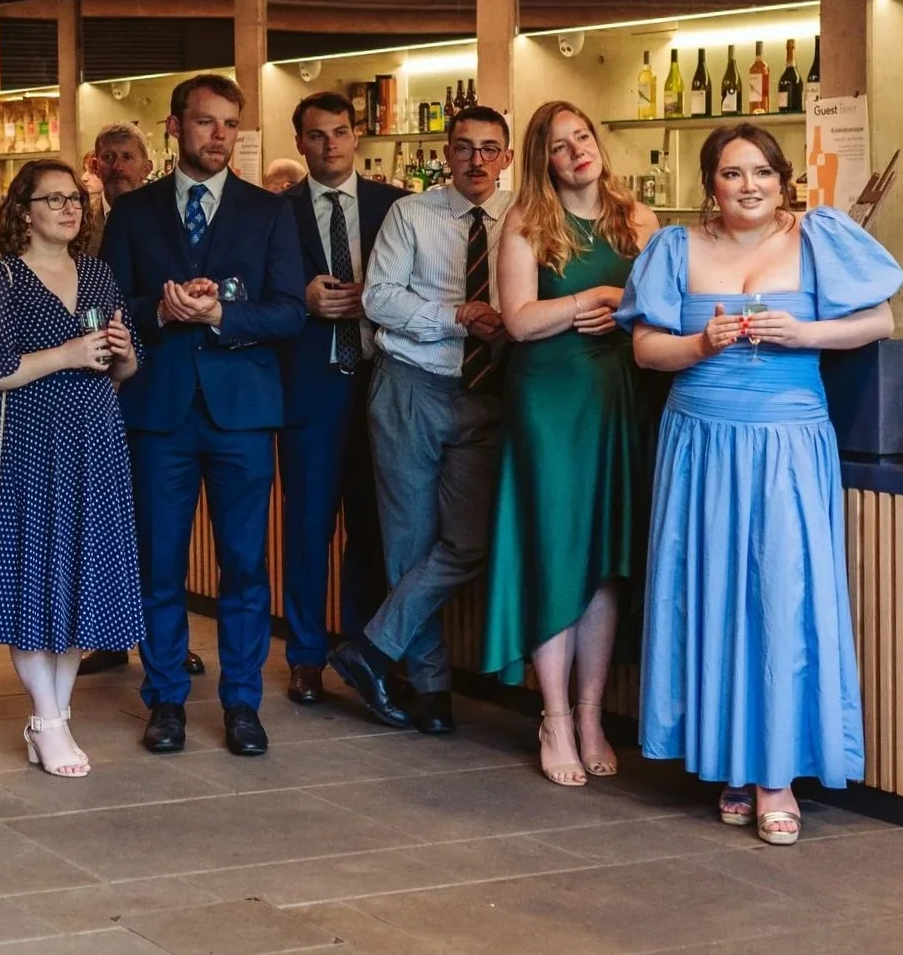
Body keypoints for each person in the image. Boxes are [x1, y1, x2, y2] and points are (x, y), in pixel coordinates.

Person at [620, 122, 901, 846]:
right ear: (709, 183)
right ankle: (730, 767)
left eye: (761, 173)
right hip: (699, 442)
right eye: (731, 173)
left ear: (782, 180)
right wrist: (696, 343)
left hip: (786, 440)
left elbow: (881, 318)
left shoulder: (819, 236)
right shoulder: (673, 247)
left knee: (780, 595)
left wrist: (801, 334)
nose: (748, 186)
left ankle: (776, 776)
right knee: (710, 594)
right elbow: (645, 348)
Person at [99, 73, 305, 757]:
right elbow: (106, 309)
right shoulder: (133, 213)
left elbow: (288, 309)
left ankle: (242, 703)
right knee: (159, 563)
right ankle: (165, 701)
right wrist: (156, 313)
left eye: (229, 126)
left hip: (242, 413)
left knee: (244, 565)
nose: (218, 136)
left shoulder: (268, 210)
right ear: (174, 126)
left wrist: (220, 314)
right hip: (158, 412)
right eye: (205, 123)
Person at [482, 102, 658, 785]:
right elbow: (518, 322)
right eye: (560, 146)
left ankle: (589, 715)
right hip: (549, 402)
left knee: (606, 559)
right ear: (542, 160)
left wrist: (625, 295)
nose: (577, 151)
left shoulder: (636, 217)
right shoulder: (526, 222)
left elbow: (665, 302)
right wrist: (595, 302)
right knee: (556, 553)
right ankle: (552, 715)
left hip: (618, 394)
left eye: (583, 136)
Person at [0, 160, 143, 777]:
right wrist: (64, 354)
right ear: (23, 210)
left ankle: (51, 718)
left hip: (96, 437)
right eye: (54, 198)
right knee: (34, 578)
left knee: (85, 576)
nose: (69, 208)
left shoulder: (98, 274)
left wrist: (123, 354)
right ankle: (49, 718)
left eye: (76, 199)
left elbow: (123, 372)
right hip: (31, 442)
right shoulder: (0, 280)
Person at [330, 106, 513, 737]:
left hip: (491, 395)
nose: (477, 160)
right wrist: (456, 316)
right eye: (464, 148)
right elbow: (378, 297)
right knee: (408, 545)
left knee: (467, 543)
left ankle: (372, 649)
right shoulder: (412, 213)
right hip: (411, 386)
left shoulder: (522, 220)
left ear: (508, 158)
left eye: (490, 149)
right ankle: (431, 690)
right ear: (447, 154)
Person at [276, 92, 405, 705]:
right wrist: (301, 300)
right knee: (307, 528)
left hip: (384, 384)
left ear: (358, 138)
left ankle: (363, 653)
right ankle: (304, 656)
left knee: (373, 529)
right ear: (299, 142)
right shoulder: (276, 213)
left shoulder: (397, 206)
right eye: (317, 134)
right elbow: (257, 292)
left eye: (341, 132)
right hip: (311, 387)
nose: (330, 144)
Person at [78, 120, 198, 680]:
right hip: (90, 387)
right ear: (94, 166)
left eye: (129, 155)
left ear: (149, 165)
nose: (119, 164)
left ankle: (163, 640)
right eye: (109, 157)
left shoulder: (166, 217)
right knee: (107, 519)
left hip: (154, 383)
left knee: (157, 526)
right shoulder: (80, 223)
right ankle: (109, 633)